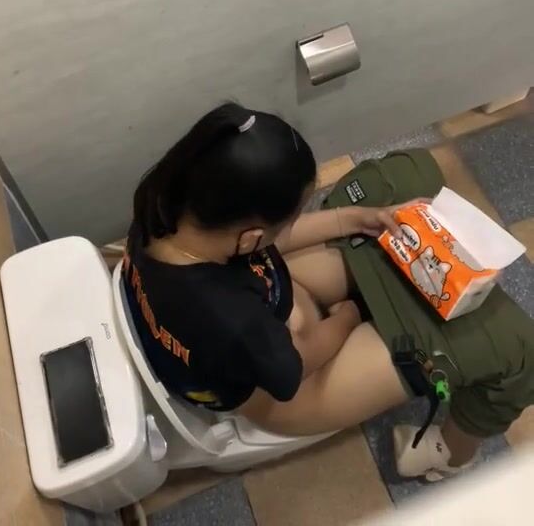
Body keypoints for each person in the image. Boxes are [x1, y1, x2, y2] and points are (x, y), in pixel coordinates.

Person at [124, 103, 534, 481]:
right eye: (287, 222)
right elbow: (296, 364)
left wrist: (353, 219)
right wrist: (347, 317)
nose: (291, 227)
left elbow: (266, 248)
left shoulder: (164, 207)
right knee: (515, 350)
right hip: (281, 393)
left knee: (405, 179)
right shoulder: (231, 320)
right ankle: (448, 455)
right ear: (251, 237)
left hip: (258, 322)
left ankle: (365, 294)